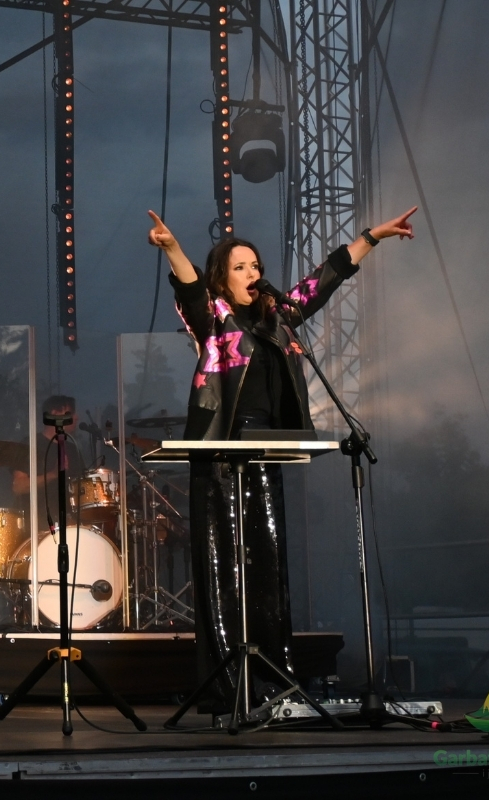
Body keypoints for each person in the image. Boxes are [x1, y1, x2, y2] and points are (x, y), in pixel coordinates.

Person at [146, 206, 417, 713]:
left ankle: (273, 679)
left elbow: (321, 282)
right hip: (222, 451)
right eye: (240, 267)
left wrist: (372, 237)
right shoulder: (214, 316)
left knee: (267, 562)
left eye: (256, 265)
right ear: (222, 279)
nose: (252, 273)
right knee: (224, 564)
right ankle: (229, 684)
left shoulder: (277, 316)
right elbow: (189, 287)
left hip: (266, 448)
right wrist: (172, 248)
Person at [12, 394, 86, 528]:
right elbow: (18, 486)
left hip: (70, 526)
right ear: (55, 414)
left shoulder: (73, 449)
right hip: (37, 526)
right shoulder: (31, 444)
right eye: (71, 412)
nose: (76, 417)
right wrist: (53, 474)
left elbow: (85, 491)